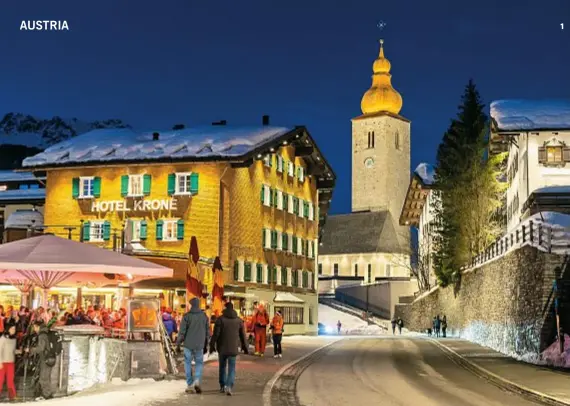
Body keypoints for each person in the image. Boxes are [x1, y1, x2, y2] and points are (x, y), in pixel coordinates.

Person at [210, 302, 248, 396]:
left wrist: (212, 345)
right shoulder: (239, 320)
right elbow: (243, 335)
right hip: (233, 347)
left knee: (222, 367)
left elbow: (216, 335)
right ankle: (229, 386)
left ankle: (222, 385)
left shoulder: (220, 319)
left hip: (222, 347)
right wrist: (245, 347)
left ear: (225, 308)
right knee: (232, 368)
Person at [176, 297, 210, 394]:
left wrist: (178, 343)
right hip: (199, 344)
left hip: (188, 344)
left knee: (187, 363)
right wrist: (206, 343)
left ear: (191, 305)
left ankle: (190, 384)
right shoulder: (204, 316)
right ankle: (197, 381)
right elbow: (208, 332)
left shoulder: (186, 316)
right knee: (199, 363)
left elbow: (182, 332)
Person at [27, 320, 53, 400]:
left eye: (34, 327)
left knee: (43, 378)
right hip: (46, 359)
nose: (34, 329)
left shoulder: (42, 335)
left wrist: (31, 350)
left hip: (45, 359)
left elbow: (41, 348)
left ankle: (48, 396)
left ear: (38, 327)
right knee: (44, 378)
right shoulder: (45, 333)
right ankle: (46, 395)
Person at [0, 325, 18, 401]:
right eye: (12, 328)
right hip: (2, 362)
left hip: (11, 362)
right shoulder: (3, 338)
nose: (13, 330)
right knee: (0, 380)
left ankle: (12, 396)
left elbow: (13, 351)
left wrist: (18, 351)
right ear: (8, 329)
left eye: (14, 329)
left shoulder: (14, 339)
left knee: (10, 380)